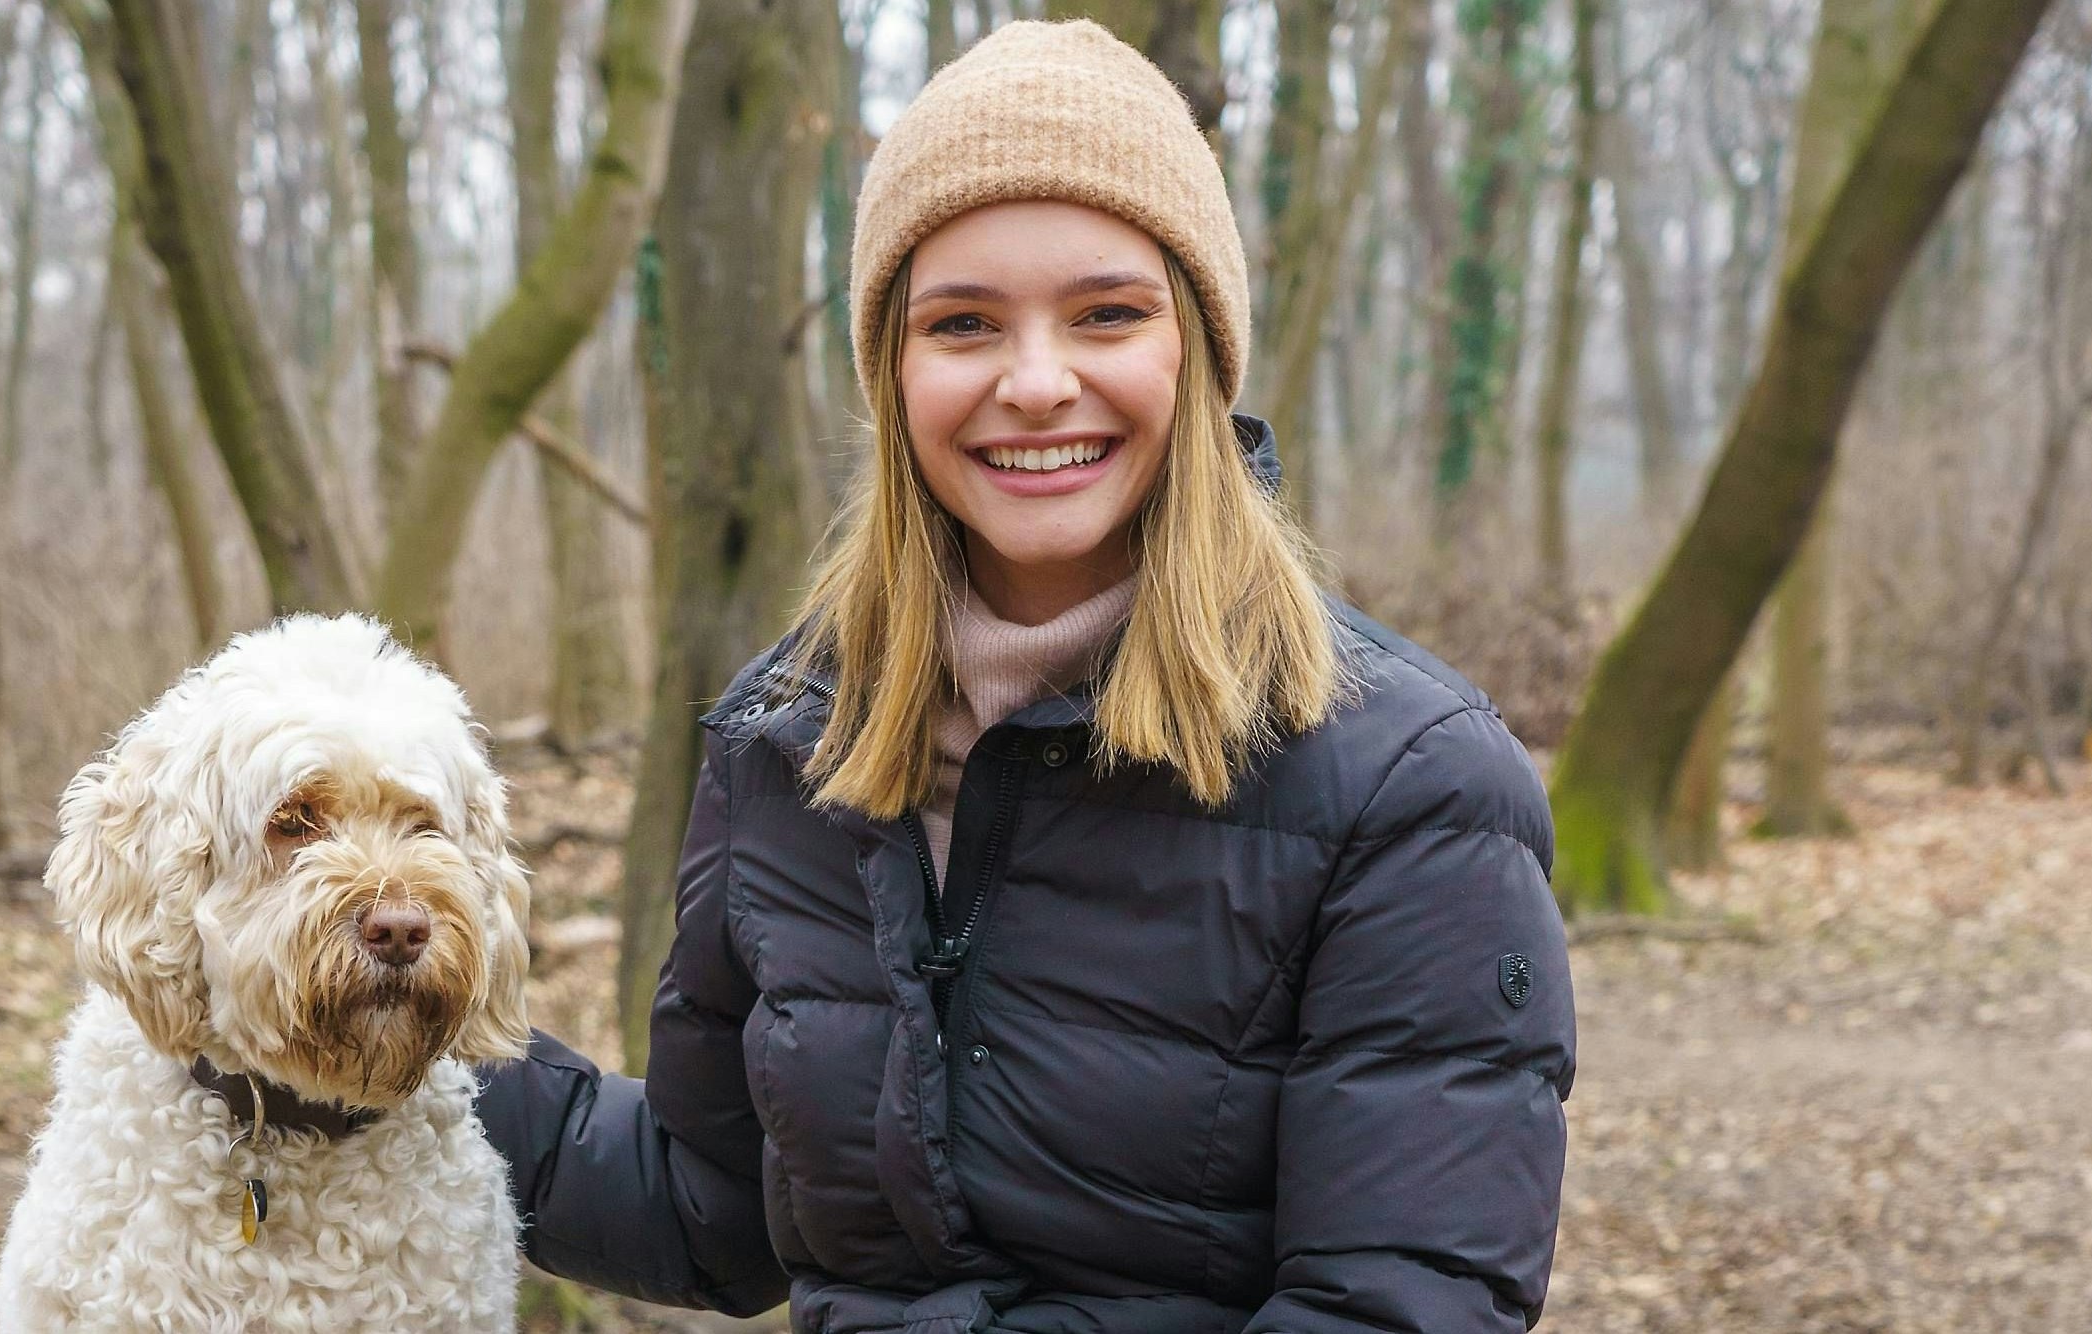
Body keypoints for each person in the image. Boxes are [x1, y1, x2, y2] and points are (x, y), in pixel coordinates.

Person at [477, 19, 1575, 1333]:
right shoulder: (790, 736)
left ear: (1199, 349)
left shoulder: (1409, 780)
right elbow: (710, 1208)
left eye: (1108, 313)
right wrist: (376, 1064)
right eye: (963, 323)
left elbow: (1401, 1305)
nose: (1038, 381)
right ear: (893, 373)